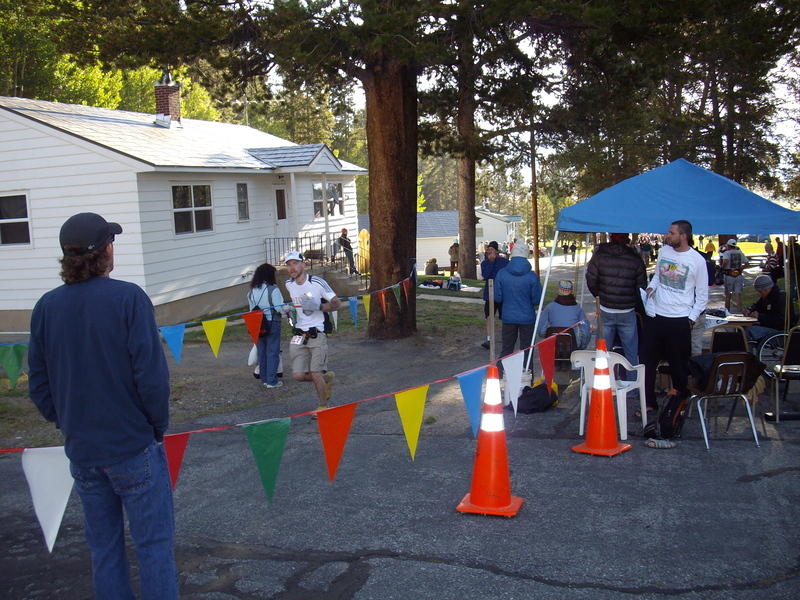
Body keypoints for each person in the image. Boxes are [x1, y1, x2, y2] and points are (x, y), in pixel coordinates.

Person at [27, 213, 178, 598]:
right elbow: (151, 377)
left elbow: (39, 383)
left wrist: (67, 421)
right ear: (104, 251)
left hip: (84, 451)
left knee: (105, 550)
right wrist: (154, 426)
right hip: (132, 445)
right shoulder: (128, 298)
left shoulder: (46, 307)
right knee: (154, 548)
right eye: (112, 241)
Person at [641, 219, 708, 415]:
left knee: (678, 366)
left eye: (671, 233)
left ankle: (678, 406)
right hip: (655, 316)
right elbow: (657, 275)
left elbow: (702, 295)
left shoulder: (697, 261)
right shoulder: (664, 251)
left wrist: (691, 318)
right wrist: (651, 288)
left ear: (683, 236)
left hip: (680, 320)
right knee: (647, 362)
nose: (667, 235)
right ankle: (649, 403)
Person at [284, 250, 341, 413]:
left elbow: (337, 304)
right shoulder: (289, 284)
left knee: (315, 372)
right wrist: (288, 310)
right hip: (299, 335)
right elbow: (297, 306)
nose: (292, 268)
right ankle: (326, 378)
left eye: (295, 263)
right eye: (289, 265)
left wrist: (319, 306)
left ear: (304, 264)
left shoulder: (317, 282)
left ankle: (323, 406)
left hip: (317, 332)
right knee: (298, 376)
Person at [586, 232, 647, 378]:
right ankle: (632, 386)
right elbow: (641, 286)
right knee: (631, 352)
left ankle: (606, 386)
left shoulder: (599, 256)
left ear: (611, 238)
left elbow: (591, 280)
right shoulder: (635, 259)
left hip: (606, 308)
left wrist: (599, 295)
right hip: (627, 310)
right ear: (627, 239)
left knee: (603, 352)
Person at [494, 239, 542, 370]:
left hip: (508, 316)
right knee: (527, 349)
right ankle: (527, 377)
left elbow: (497, 297)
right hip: (527, 317)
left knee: (507, 348)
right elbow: (537, 299)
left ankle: (500, 375)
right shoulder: (532, 277)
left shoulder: (502, 273)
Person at [248, 263, 285, 388]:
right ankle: (272, 381)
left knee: (262, 352)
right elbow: (280, 308)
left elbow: (251, 309)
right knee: (273, 352)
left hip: (257, 323)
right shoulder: (273, 289)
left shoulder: (252, 291)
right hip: (272, 322)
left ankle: (264, 378)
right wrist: (289, 308)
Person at [744, 274, 795, 347]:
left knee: (749, 331)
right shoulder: (766, 296)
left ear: (766, 289)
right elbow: (757, 306)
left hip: (779, 331)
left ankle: (748, 354)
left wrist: (760, 317)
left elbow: (781, 320)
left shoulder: (781, 298)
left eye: (760, 292)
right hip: (770, 327)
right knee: (743, 327)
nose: (759, 294)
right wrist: (749, 310)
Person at [537, 280, 590, 349]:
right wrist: (582, 347)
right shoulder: (578, 309)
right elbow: (585, 332)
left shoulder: (549, 307)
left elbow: (541, 331)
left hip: (553, 346)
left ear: (559, 291)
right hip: (572, 346)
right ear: (571, 291)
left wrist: (549, 336)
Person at [480, 241, 509, 349]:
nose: (489, 253)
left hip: (502, 294)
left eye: (492, 250)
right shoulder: (484, 263)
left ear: (496, 251)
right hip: (489, 294)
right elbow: (486, 275)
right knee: (488, 316)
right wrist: (491, 262)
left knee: (505, 317)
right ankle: (489, 339)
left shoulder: (504, 262)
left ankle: (506, 338)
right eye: (488, 251)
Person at [720, 238, 747, 313]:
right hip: (738, 275)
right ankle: (739, 312)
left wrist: (722, 267)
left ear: (728, 245)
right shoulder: (740, 253)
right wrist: (741, 268)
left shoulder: (726, 253)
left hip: (729, 275)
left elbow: (725, 261)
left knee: (728, 295)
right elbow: (747, 263)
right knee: (738, 294)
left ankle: (727, 312)